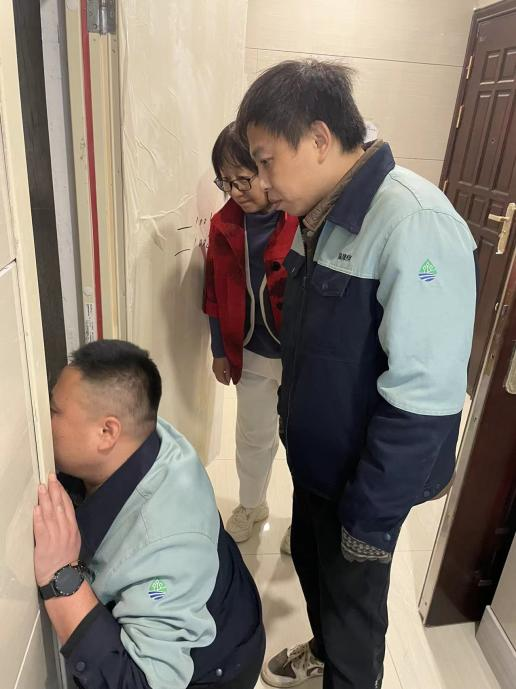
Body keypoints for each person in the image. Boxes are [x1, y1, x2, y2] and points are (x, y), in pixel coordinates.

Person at [235, 59, 477, 689]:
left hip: (365, 479)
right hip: (320, 462)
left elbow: (425, 398)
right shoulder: (317, 217)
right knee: (317, 575)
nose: (262, 182)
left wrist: (369, 520)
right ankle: (323, 650)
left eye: (266, 161)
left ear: (319, 138)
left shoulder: (414, 222)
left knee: (353, 614)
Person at [33, 339, 265, 689]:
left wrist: (62, 579)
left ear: (107, 432)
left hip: (217, 667)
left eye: (54, 411)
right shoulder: (141, 439)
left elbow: (146, 682)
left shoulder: (165, 558)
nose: (43, 418)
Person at [203, 122, 298, 548]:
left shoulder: (300, 217)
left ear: (266, 169)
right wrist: (219, 349)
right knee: (252, 436)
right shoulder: (224, 224)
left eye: (243, 178)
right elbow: (213, 292)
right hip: (251, 353)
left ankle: (304, 520)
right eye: (226, 181)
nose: (236, 191)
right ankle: (252, 504)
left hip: (300, 357)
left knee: (303, 444)